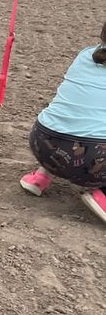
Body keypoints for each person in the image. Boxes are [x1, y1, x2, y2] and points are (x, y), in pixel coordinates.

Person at [20, 20, 106, 224]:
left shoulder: (86, 54)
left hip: (42, 142)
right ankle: (103, 194)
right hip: (93, 157)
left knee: (76, 116)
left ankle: (42, 175)